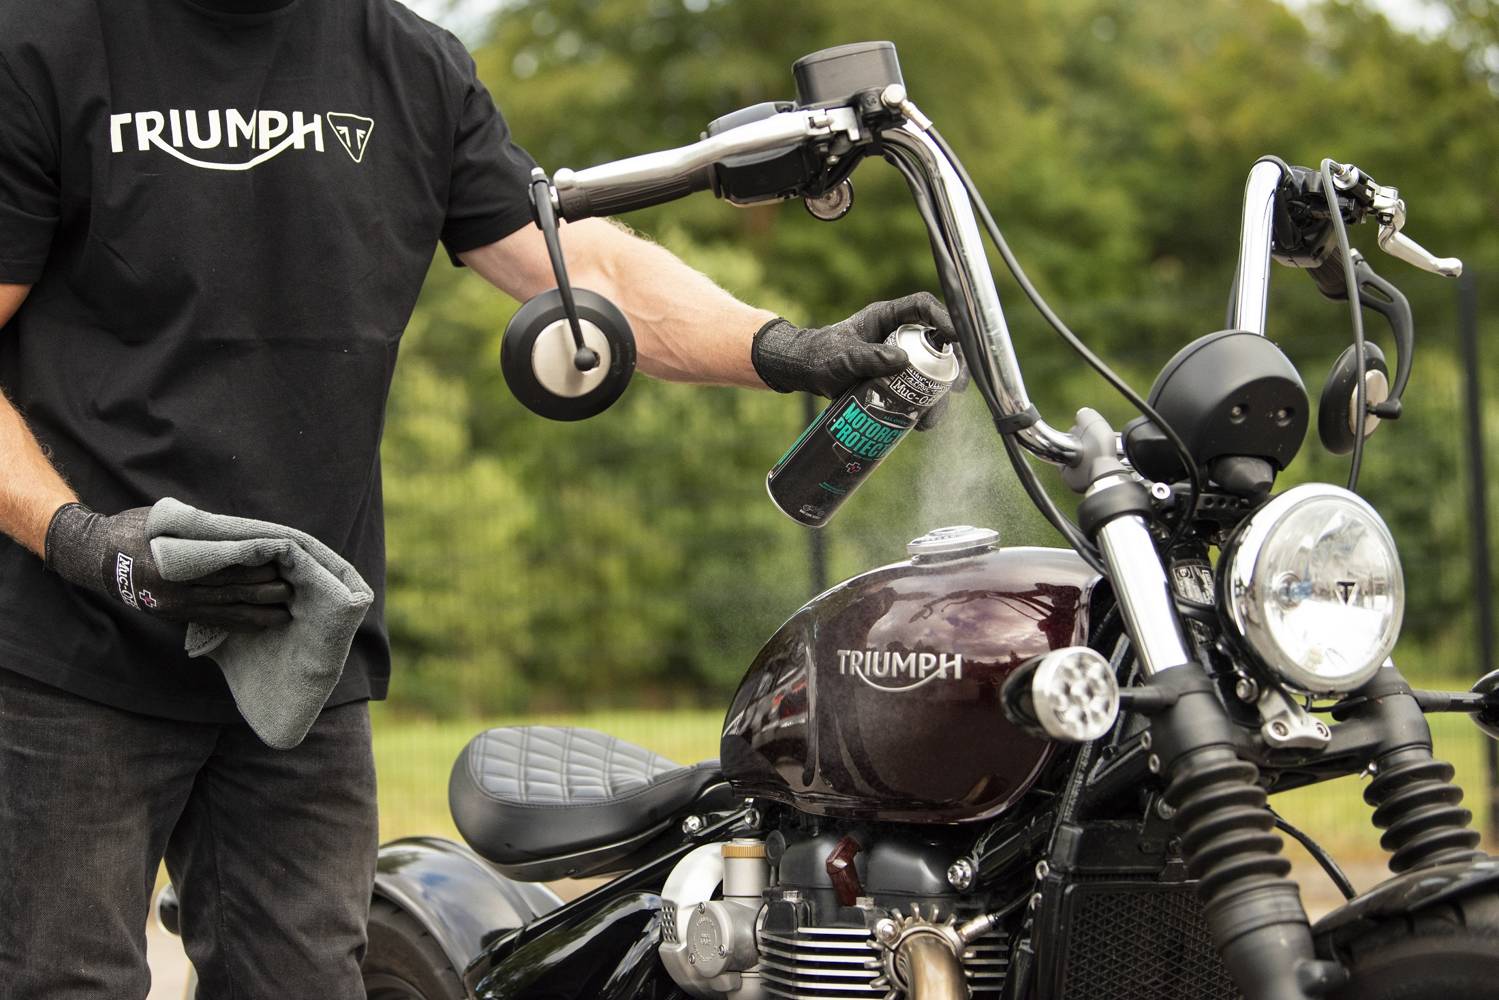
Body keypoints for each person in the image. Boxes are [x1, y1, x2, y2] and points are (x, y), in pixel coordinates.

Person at [0, 0, 955, 996]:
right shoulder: (44, 45)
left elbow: (582, 264)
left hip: (298, 658)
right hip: (71, 651)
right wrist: (82, 541)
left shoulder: (406, 63)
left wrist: (784, 347)